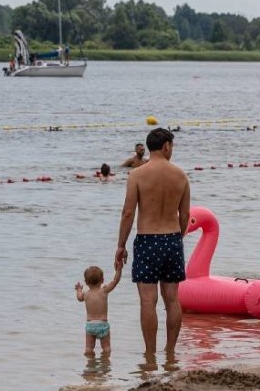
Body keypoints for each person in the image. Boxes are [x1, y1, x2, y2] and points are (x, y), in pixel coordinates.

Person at [115, 127, 190, 356]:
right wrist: (178, 236)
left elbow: (128, 213)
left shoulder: (137, 175)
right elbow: (185, 216)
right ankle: (170, 352)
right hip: (172, 239)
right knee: (172, 300)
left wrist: (121, 245)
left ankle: (150, 354)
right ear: (166, 145)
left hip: (147, 241)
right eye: (172, 146)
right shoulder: (181, 175)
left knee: (148, 301)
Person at [75, 264, 122, 356]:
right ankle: (105, 365)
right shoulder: (104, 291)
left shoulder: (86, 294)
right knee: (106, 348)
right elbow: (115, 281)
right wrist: (119, 270)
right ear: (102, 280)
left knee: (89, 348)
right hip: (103, 324)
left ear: (86, 282)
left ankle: (90, 366)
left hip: (90, 325)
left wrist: (79, 289)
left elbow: (79, 298)